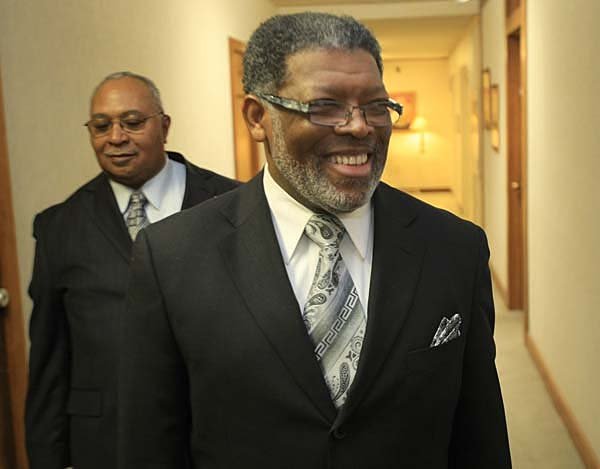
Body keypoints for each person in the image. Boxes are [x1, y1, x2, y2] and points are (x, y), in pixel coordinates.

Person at [119, 13, 511, 469]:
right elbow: (151, 444)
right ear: (257, 116)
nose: (359, 127)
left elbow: (479, 435)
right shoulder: (172, 257)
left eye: (376, 105)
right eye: (325, 106)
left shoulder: (454, 249)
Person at [25, 71, 238, 469]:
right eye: (101, 126)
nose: (116, 137)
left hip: (223, 433)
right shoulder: (59, 227)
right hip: (107, 442)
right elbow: (49, 365)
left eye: (133, 122)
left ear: (165, 126)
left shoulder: (233, 203)